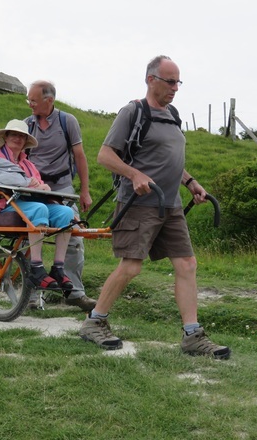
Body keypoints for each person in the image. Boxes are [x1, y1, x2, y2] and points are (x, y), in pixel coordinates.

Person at [79, 55, 231, 359]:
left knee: (187, 264)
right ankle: (94, 322)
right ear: (151, 80)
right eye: (170, 81)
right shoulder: (133, 112)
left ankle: (192, 336)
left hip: (170, 203)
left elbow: (168, 160)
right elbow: (105, 156)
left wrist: (190, 182)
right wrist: (134, 174)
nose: (175, 88)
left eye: (178, 82)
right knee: (131, 266)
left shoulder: (172, 114)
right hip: (139, 203)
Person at [23, 80, 96, 311]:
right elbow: (19, 158)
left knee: (74, 234)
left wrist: (84, 191)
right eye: (29, 100)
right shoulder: (27, 125)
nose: (30, 104)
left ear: (49, 100)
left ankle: (74, 292)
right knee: (30, 234)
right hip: (34, 186)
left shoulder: (67, 121)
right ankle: (32, 294)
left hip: (62, 185)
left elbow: (80, 156)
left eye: (33, 100)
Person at [0, 119, 76, 292]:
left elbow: (40, 186)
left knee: (66, 213)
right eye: (14, 135)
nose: (18, 138)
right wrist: (29, 183)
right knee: (39, 209)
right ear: (6, 137)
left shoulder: (28, 164)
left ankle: (58, 267)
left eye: (22, 136)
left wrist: (41, 188)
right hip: (5, 204)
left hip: (28, 204)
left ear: (25, 142)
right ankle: (36, 267)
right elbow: (2, 178)